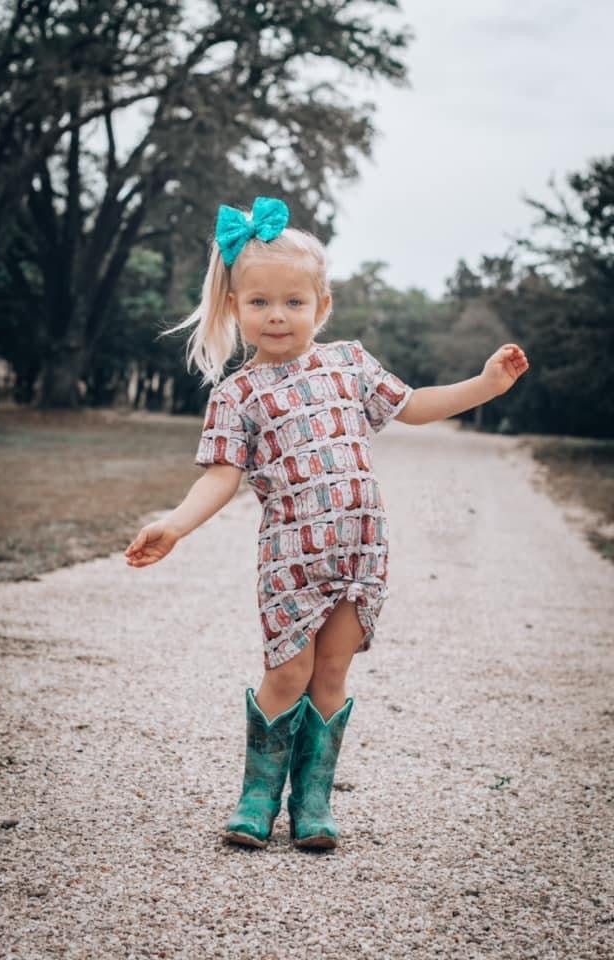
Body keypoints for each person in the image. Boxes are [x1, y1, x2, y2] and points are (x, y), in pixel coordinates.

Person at [124, 196, 529, 851]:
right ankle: (258, 798)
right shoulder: (237, 395)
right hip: (292, 558)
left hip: (360, 552)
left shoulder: (349, 364)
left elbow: (416, 406)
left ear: (322, 305)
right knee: (287, 673)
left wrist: (484, 385)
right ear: (234, 308)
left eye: (293, 301)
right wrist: (174, 525)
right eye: (258, 302)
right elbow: (221, 475)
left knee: (333, 674)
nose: (277, 315)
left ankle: (312, 802)